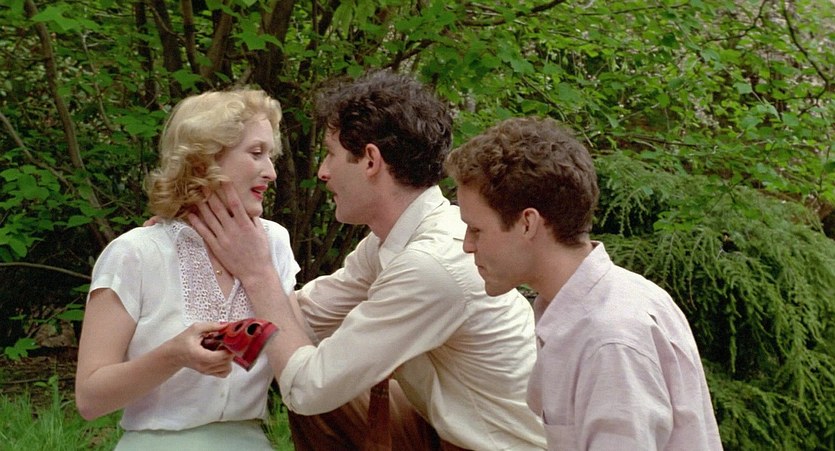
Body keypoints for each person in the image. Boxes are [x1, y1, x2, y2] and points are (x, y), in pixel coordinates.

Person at [190, 70, 547, 449]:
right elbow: (303, 319)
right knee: (313, 367)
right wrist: (182, 235)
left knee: (312, 380)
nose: (323, 172)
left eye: (331, 154)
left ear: (371, 161)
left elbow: (308, 388)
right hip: (444, 429)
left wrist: (258, 273)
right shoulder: (389, 242)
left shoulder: (431, 264)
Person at [444, 116, 723, 450]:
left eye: (476, 230)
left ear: (528, 223)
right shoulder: (586, 308)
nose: (467, 245)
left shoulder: (610, 340)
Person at [74, 89, 300, 449]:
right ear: (203, 160)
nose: (271, 172)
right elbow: (90, 399)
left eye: (270, 156)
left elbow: (302, 366)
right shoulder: (136, 253)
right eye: (256, 153)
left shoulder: (274, 244)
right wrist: (174, 355)